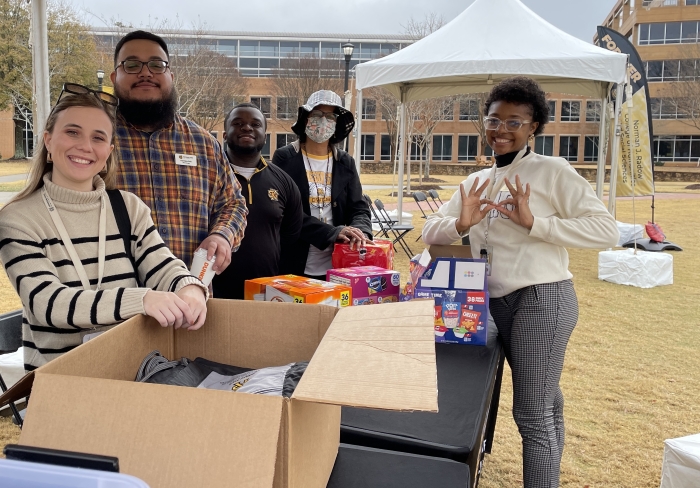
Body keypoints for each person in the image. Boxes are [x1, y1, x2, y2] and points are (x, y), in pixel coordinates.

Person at [422, 76, 619, 488]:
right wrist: (461, 223)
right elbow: (429, 232)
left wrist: (536, 224)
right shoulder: (475, 181)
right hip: (491, 307)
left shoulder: (551, 171)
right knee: (547, 404)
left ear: (534, 127)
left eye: (515, 122)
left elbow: (605, 231)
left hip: (541, 299)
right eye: (494, 120)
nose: (501, 130)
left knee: (532, 414)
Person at [0, 85, 210, 372]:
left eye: (98, 137)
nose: (85, 146)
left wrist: (190, 288)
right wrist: (142, 299)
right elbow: (47, 303)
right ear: (48, 140)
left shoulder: (129, 208)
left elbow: (163, 266)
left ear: (108, 151)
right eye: (72, 132)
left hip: (132, 373)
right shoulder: (18, 218)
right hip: (63, 384)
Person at [109, 30, 247, 275]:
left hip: (190, 302)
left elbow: (233, 203)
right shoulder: (96, 141)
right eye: (131, 64)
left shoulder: (203, 143)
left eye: (156, 64)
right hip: (118, 304)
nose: (145, 72)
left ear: (171, 76)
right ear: (113, 77)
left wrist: (222, 235)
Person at [272, 90, 372, 280]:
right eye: (317, 115)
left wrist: (360, 232)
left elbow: (359, 208)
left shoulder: (345, 162)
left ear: (337, 123)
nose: (323, 121)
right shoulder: (285, 158)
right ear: (305, 119)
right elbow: (283, 212)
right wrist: (331, 233)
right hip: (293, 264)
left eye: (330, 116)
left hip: (339, 267)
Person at [212, 103, 303, 299]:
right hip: (214, 292)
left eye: (255, 124)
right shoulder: (209, 177)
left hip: (266, 293)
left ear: (264, 134)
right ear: (225, 134)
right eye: (237, 123)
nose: (247, 128)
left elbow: (290, 236)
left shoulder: (283, 182)